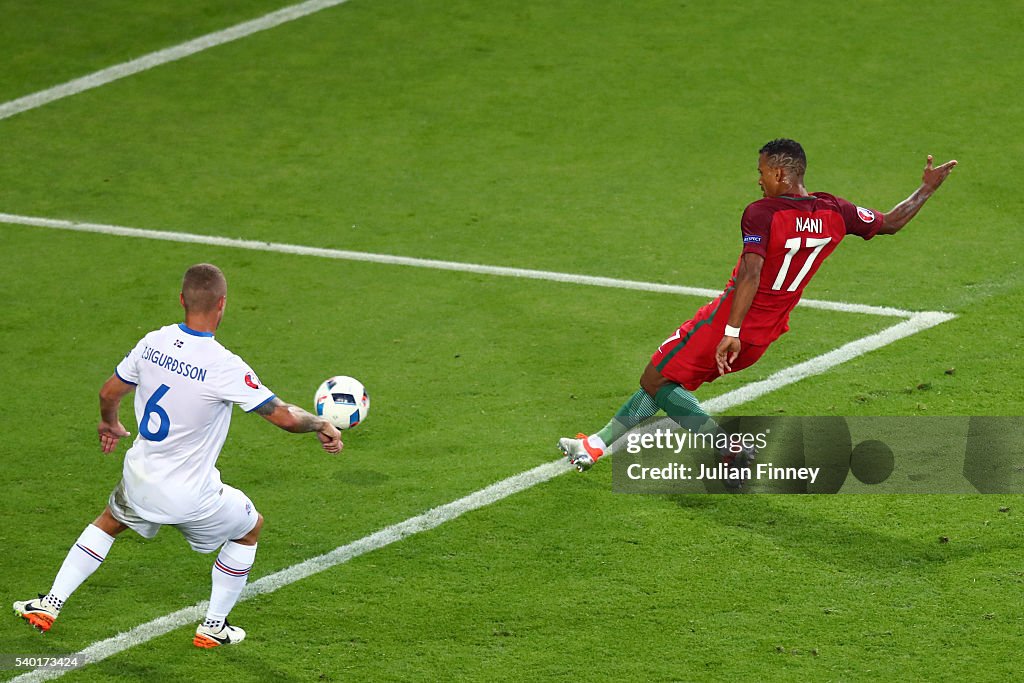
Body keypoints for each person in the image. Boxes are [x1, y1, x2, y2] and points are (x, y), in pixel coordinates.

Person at [559, 139, 957, 473]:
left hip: (731, 322)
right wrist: (927, 189)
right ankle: (594, 445)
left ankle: (726, 447)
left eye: (762, 171)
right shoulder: (833, 209)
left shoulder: (762, 212)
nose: (759, 179)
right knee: (667, 378)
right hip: (768, 331)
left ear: (781, 174)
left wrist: (729, 331)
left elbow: (751, 273)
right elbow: (889, 222)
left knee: (656, 380)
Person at [13, 263, 343, 647]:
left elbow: (108, 393)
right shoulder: (223, 365)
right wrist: (321, 424)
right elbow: (285, 418)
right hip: (192, 497)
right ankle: (214, 627)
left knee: (109, 521)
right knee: (249, 529)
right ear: (222, 304)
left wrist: (109, 424)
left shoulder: (153, 341)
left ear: (182, 300)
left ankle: (49, 604)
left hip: (140, 479)